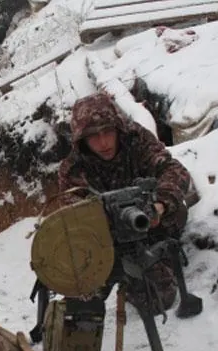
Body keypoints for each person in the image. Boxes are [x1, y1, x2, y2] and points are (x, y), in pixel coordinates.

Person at [57, 92, 197, 318]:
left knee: (158, 300)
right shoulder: (73, 169)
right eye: (93, 136)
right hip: (102, 242)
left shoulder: (136, 140)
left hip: (147, 230)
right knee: (80, 311)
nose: (103, 143)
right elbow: (73, 218)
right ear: (81, 140)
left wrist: (159, 206)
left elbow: (175, 171)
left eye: (108, 132)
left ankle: (153, 263)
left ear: (118, 129)